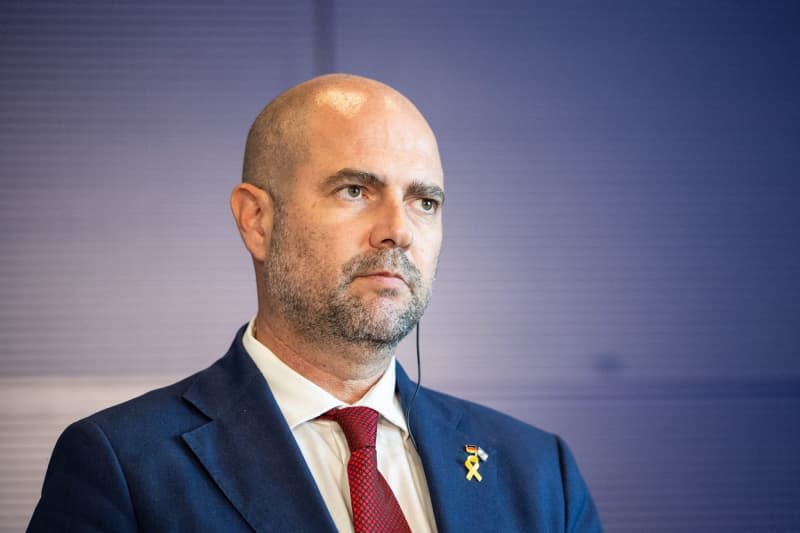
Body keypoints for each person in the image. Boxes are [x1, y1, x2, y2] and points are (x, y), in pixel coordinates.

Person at [28, 74, 602, 532]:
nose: (398, 231)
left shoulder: (538, 470)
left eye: (424, 200)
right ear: (257, 220)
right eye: (356, 191)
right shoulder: (124, 466)